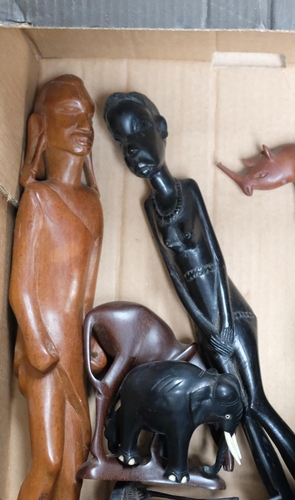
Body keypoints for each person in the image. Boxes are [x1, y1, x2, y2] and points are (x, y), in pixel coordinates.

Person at [103, 91, 295, 500]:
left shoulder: (187, 191)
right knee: (246, 411)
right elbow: (177, 280)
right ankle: (284, 492)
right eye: (122, 141)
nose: (132, 148)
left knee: (256, 404)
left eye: (140, 130)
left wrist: (221, 326)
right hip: (208, 324)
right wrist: (205, 329)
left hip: (231, 315)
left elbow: (217, 263)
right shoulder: (152, 209)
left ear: (162, 129)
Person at [10, 75, 106, 500]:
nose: (84, 124)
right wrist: (34, 338)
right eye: (70, 113)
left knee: (73, 466)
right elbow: (20, 287)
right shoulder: (38, 199)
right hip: (43, 341)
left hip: (72, 342)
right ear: (41, 127)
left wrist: (92, 340)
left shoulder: (94, 206)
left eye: (88, 115)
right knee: (47, 461)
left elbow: (86, 294)